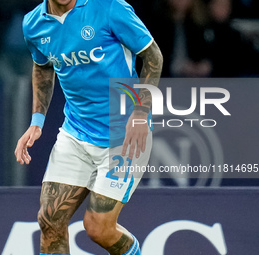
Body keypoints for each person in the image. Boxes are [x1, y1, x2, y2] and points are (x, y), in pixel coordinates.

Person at [14, 0, 163, 254]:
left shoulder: (109, 7)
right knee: (50, 220)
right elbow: (42, 66)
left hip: (123, 135)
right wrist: (37, 121)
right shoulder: (33, 24)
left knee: (98, 228)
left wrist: (140, 113)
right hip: (75, 134)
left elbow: (152, 56)